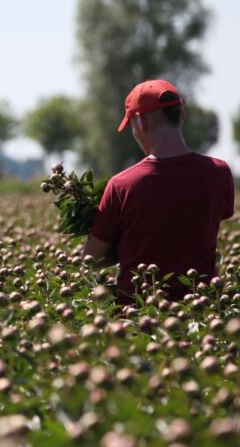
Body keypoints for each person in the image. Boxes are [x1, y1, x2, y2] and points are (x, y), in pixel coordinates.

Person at [82, 79, 234, 300]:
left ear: (140, 122)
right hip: (204, 314)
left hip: (136, 321)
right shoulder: (219, 173)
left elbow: (90, 259)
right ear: (181, 116)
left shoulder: (122, 185)